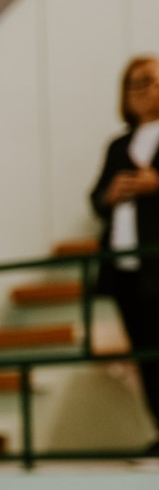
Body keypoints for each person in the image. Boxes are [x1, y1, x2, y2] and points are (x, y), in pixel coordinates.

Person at [92, 53, 159, 446]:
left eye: (151, 81)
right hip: (125, 265)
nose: (144, 91)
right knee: (145, 352)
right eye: (135, 84)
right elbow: (95, 197)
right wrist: (110, 195)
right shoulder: (119, 146)